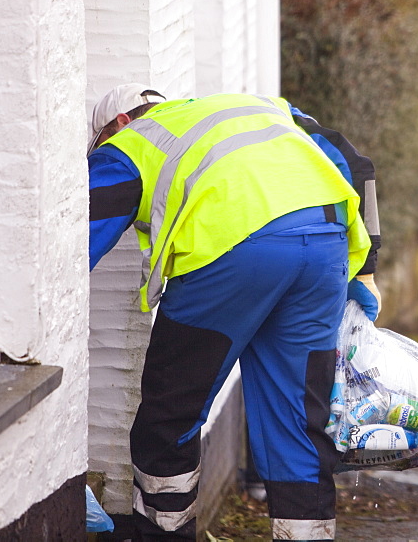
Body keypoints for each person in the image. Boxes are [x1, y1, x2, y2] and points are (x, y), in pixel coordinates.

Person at [88, 84, 380, 540]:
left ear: (120, 122)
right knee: (299, 422)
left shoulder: (131, 141)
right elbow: (355, 162)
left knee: (171, 413)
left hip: (234, 253)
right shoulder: (259, 107)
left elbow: (73, 238)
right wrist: (368, 267)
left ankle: (163, 534)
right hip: (325, 245)